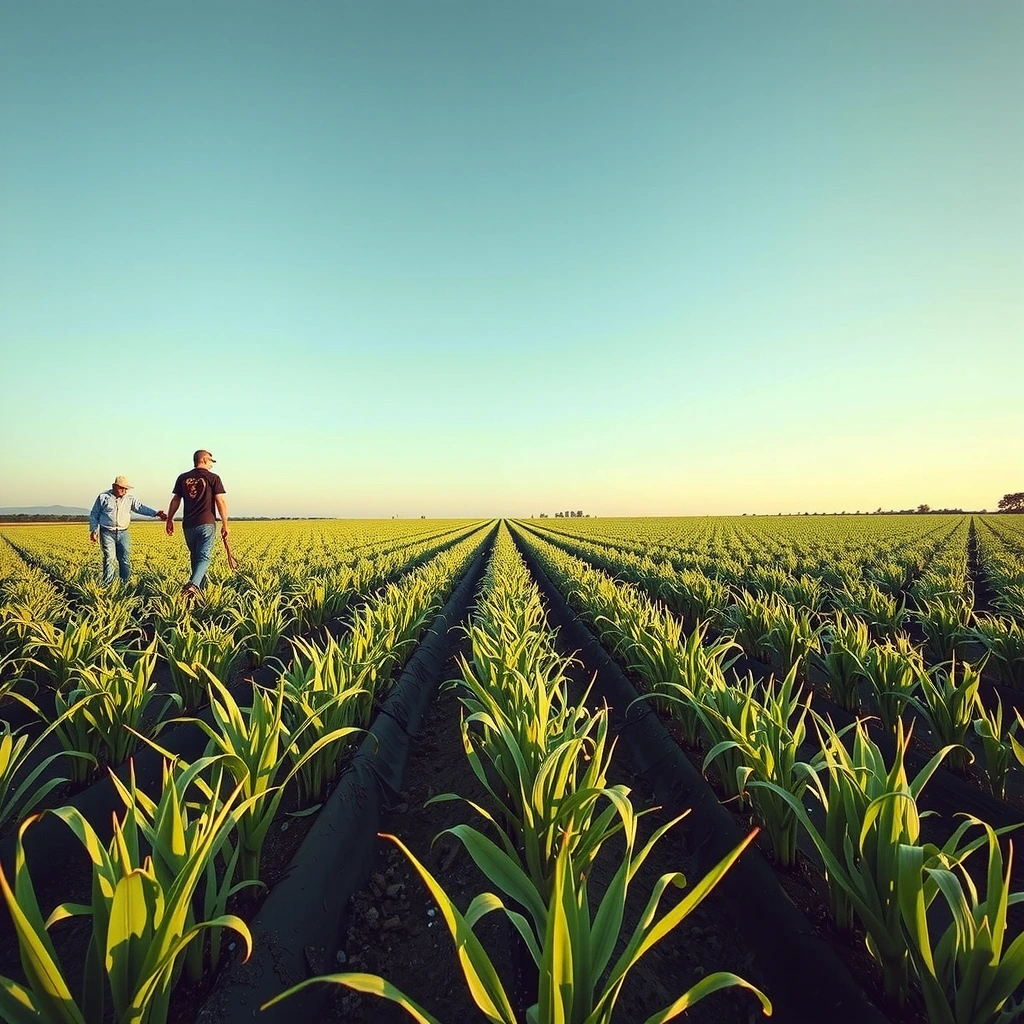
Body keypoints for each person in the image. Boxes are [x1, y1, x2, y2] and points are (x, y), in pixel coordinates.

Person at [165, 449, 229, 597]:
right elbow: (220, 501)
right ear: (204, 460)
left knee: (195, 558)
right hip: (206, 523)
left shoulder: (183, 477)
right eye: (211, 461)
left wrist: (169, 519)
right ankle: (193, 586)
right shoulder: (214, 478)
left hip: (188, 524)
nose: (212, 465)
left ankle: (200, 593)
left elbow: (175, 500)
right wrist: (226, 524)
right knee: (204, 557)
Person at [88, 475, 167, 585]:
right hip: (107, 532)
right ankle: (107, 586)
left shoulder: (129, 499)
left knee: (124, 559)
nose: (124, 491)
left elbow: (140, 508)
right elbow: (94, 514)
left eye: (126, 488)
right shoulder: (103, 497)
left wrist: (156, 513)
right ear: (114, 486)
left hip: (123, 532)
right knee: (109, 559)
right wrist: (93, 530)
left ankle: (125, 584)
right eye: (121, 488)